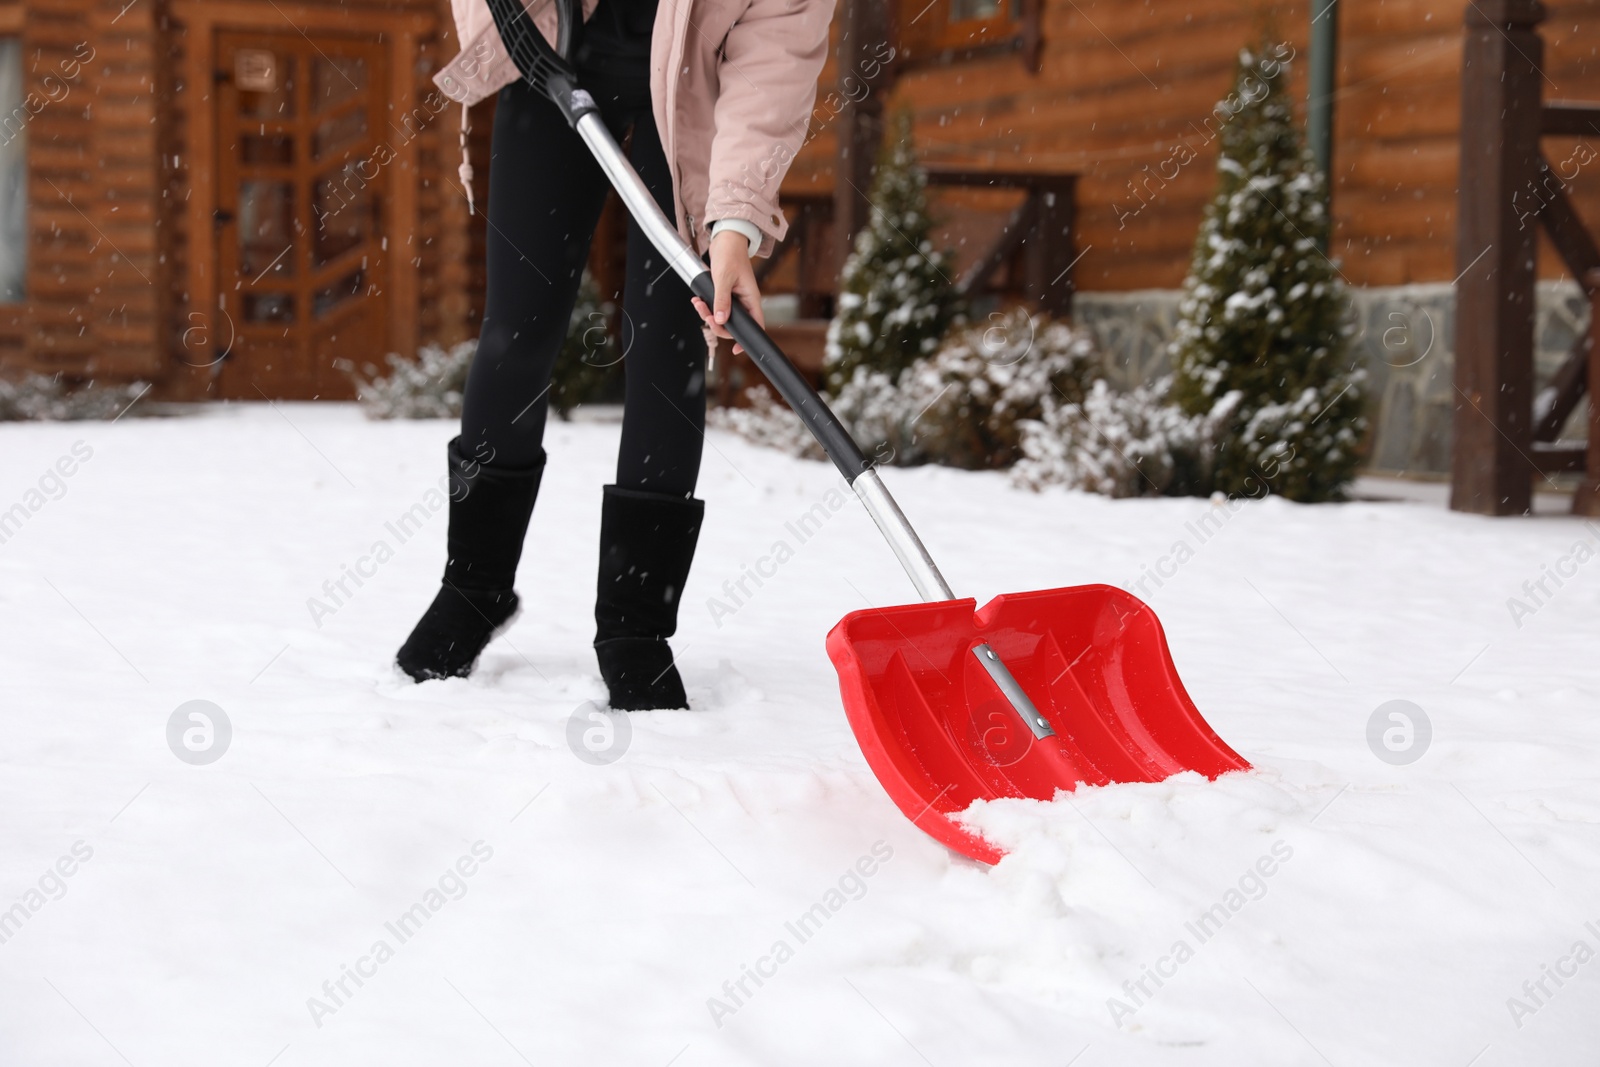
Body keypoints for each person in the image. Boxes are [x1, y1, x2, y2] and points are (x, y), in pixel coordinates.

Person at [397, 0, 833, 708]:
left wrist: (733, 227)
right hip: (555, 60)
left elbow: (775, 64)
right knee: (518, 329)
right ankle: (474, 586)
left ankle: (635, 625)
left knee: (669, 343)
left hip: (691, 100)